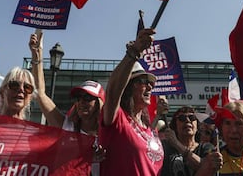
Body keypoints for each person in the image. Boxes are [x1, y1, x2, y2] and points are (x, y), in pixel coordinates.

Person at [29, 31, 105, 175]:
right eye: (78, 98)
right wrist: (36, 55)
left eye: (88, 98)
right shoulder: (67, 126)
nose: (82, 102)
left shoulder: (108, 135)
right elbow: (39, 93)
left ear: (100, 104)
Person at [99, 28, 164, 176]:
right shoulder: (118, 120)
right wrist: (134, 52)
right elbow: (113, 93)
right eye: (143, 81)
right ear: (127, 87)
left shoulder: (150, 130)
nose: (149, 86)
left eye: (151, 83)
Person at [161, 106, 214, 176]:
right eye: (182, 118)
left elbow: (206, 168)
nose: (188, 120)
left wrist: (177, 144)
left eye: (192, 118)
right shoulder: (165, 147)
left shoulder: (206, 147)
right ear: (175, 125)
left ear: (197, 125)